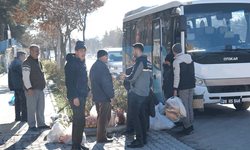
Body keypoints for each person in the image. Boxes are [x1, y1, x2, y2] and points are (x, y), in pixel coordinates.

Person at [120, 43, 152, 148]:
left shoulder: (139, 61)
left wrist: (125, 77)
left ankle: (139, 140)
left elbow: (133, 76)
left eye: (133, 50)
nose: (132, 52)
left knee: (134, 116)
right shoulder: (148, 62)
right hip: (145, 93)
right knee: (142, 117)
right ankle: (144, 139)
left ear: (137, 50)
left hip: (137, 93)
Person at [65, 41, 92, 150]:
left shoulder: (82, 63)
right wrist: (75, 97)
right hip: (75, 96)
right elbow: (69, 83)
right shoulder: (71, 64)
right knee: (79, 120)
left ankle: (77, 144)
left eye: (84, 51)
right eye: (81, 51)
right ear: (76, 51)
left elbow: (83, 81)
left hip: (82, 95)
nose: (83, 53)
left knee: (79, 121)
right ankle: (75, 146)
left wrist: (88, 91)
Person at [22, 44, 50, 131]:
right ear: (31, 52)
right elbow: (25, 77)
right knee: (31, 108)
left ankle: (41, 124)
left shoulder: (38, 62)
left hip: (40, 89)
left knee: (40, 108)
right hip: (32, 90)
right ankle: (32, 125)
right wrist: (29, 89)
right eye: (36, 51)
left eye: (38, 51)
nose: (38, 53)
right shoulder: (26, 63)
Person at [90, 50, 115, 143]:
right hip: (104, 96)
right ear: (101, 57)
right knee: (104, 117)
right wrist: (111, 96)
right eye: (106, 56)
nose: (107, 58)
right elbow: (106, 84)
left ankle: (102, 134)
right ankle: (101, 138)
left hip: (97, 95)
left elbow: (96, 79)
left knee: (101, 117)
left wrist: (109, 77)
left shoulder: (94, 66)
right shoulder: (103, 67)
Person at [172, 43, 195, 135]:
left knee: (184, 108)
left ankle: (187, 127)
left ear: (174, 52)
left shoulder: (177, 62)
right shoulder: (190, 59)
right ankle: (191, 124)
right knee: (189, 106)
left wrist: (175, 88)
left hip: (183, 87)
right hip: (191, 86)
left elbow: (177, 77)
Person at [8, 51, 27, 122]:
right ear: (20, 56)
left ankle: (18, 117)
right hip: (20, 86)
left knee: (17, 102)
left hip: (15, 86)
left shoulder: (13, 62)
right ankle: (24, 117)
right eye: (24, 56)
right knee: (23, 101)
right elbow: (23, 73)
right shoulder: (18, 63)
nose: (24, 58)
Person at [122, 56, 136, 135]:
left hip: (139, 93)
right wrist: (129, 89)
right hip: (131, 93)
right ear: (131, 62)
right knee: (130, 111)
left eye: (135, 61)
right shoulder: (128, 70)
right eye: (133, 61)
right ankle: (129, 128)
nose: (134, 62)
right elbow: (125, 83)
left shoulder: (140, 70)